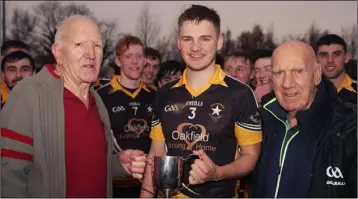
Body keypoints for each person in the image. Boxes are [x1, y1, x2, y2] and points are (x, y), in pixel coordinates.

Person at [0, 15, 146, 197]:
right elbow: (9, 178)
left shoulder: (97, 100)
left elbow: (86, 167)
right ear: (58, 52)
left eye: (97, 46)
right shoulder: (28, 95)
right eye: (80, 45)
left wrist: (119, 165)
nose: (91, 54)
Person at [140, 5, 262, 198]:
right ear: (178, 42)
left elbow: (251, 157)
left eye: (204, 39)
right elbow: (155, 155)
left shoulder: (240, 94)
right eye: (187, 39)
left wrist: (217, 173)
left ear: (219, 41)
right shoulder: (164, 93)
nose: (195, 47)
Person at [251, 41, 357, 198]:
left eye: (298, 71)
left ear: (317, 74)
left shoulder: (350, 127)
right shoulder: (262, 119)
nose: (287, 84)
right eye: (279, 73)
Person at [97, 35, 156, 198]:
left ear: (144, 60)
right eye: (128, 56)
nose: (135, 61)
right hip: (113, 184)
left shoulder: (156, 97)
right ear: (118, 61)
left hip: (148, 184)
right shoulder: (100, 96)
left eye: (139, 56)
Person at [316, 34, 356, 105]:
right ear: (316, 59)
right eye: (324, 55)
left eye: (336, 54)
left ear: (346, 57)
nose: (330, 60)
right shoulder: (306, 93)